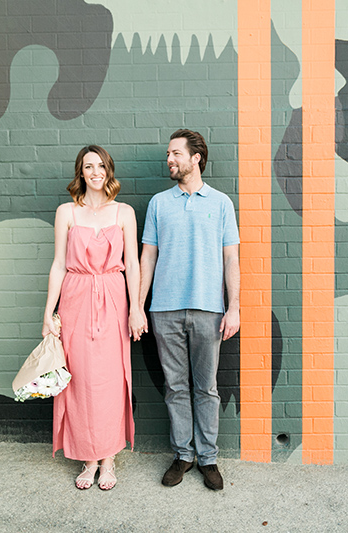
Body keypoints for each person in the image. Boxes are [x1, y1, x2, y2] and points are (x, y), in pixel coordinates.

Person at [139, 129, 240, 491]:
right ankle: (183, 455)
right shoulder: (158, 204)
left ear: (196, 158)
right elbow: (147, 257)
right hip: (164, 310)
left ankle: (209, 459)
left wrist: (234, 308)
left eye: (176, 153)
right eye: (168, 154)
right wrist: (138, 305)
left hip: (209, 310)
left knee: (207, 389)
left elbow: (231, 258)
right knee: (176, 387)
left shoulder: (221, 203)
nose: (170, 159)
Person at [42, 145, 145, 490]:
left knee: (112, 379)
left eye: (101, 165)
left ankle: (109, 458)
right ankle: (88, 458)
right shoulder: (66, 211)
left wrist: (136, 308)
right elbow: (58, 264)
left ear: (109, 170)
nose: (95, 172)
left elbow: (132, 264)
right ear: (80, 172)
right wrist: (48, 314)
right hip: (76, 298)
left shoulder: (124, 213)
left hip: (114, 299)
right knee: (82, 379)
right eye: (88, 166)